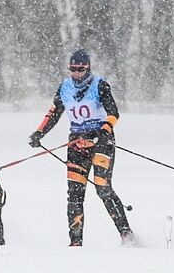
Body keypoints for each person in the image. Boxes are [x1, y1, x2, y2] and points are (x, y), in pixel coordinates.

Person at [29, 48, 135, 246]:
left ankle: (126, 234)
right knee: (75, 193)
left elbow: (114, 112)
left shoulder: (100, 85)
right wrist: (38, 134)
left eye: (81, 69)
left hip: (101, 142)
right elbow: (53, 114)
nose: (77, 73)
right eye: (73, 69)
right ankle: (75, 242)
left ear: (88, 68)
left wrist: (105, 129)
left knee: (102, 188)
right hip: (77, 143)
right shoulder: (64, 88)